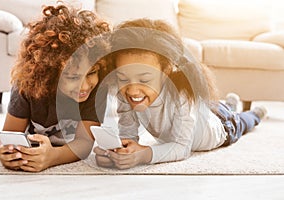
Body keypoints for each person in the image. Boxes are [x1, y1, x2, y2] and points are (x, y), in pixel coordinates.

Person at [94, 18, 267, 170]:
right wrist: (119, 152)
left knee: (240, 121)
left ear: (166, 71)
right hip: (200, 114)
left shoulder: (181, 94)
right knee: (215, 107)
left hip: (222, 127)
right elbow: (129, 136)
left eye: (144, 80)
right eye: (123, 78)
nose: (132, 90)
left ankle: (255, 113)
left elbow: (182, 148)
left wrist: (143, 155)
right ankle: (229, 103)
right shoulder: (124, 93)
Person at [0, 4, 111, 172]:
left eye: (92, 72)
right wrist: (4, 152)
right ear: (48, 74)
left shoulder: (97, 88)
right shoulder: (27, 86)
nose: (85, 86)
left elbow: (84, 143)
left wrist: (52, 158)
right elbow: (8, 135)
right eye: (72, 77)